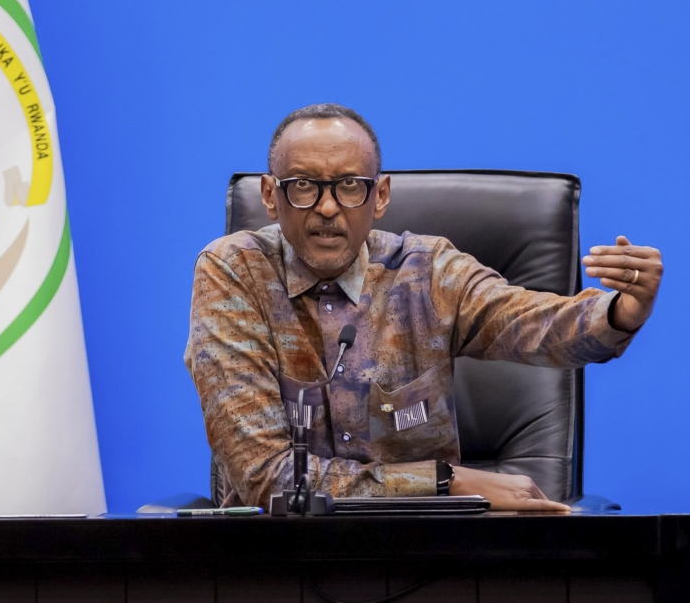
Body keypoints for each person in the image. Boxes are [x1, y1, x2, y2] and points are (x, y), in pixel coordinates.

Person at [183, 103, 664, 512]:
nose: (327, 208)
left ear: (381, 196)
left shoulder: (426, 271)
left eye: (350, 185)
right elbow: (268, 479)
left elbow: (530, 322)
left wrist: (622, 311)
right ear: (271, 196)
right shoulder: (234, 274)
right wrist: (445, 481)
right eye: (304, 186)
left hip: (427, 558)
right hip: (279, 568)